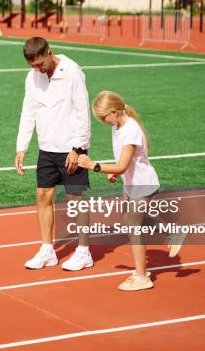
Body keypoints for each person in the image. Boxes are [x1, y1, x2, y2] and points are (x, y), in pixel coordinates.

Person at [77, 91, 183, 291]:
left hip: (143, 184)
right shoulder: (117, 125)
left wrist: (95, 166)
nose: (103, 121)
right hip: (131, 183)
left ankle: (142, 276)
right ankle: (173, 232)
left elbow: (123, 166)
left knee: (134, 227)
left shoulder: (131, 131)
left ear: (114, 111)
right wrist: (114, 172)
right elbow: (122, 162)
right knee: (130, 222)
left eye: (103, 117)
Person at [15, 37, 93, 271]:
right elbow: (28, 112)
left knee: (75, 200)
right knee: (43, 196)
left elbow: (82, 111)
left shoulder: (72, 72)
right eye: (32, 66)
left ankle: (83, 252)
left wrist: (78, 148)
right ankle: (47, 250)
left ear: (49, 53)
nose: (37, 69)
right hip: (46, 148)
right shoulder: (32, 77)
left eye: (39, 64)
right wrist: (22, 146)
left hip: (71, 148)